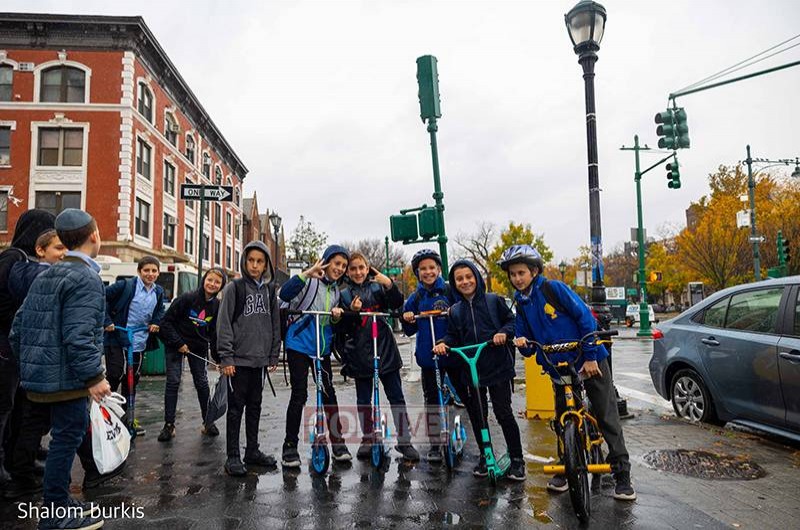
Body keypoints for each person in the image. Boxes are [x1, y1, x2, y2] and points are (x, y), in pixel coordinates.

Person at [500, 244, 635, 500]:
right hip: (558, 366)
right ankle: (567, 466)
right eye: (513, 274)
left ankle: (622, 474)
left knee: (606, 415)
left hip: (588, 360)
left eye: (522, 273)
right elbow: (525, 339)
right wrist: (522, 342)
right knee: (563, 419)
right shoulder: (521, 302)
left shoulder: (553, 289)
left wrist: (592, 356)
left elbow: (585, 318)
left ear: (535, 271)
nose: (517, 278)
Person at [10, 208, 110, 529]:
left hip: (42, 380)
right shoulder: (86, 278)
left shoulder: (46, 273)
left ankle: (60, 499)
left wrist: (35, 367)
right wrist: (94, 377)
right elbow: (79, 335)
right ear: (94, 235)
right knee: (66, 441)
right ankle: (54, 514)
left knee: (61, 441)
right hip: (70, 381)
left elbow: (18, 329)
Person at [432, 259, 526, 481]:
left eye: (468, 277)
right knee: (477, 415)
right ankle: (486, 455)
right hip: (472, 368)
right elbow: (453, 335)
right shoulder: (455, 311)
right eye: (459, 279)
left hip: (497, 367)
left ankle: (517, 459)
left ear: (476, 277)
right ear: (454, 283)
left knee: (503, 413)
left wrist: (503, 332)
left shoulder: (494, 301)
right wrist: (445, 343)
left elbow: (512, 322)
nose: (465, 282)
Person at [338, 252, 419, 462]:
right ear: (348, 271)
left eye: (361, 268)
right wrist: (352, 312)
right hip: (360, 352)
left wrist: (389, 284)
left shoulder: (378, 287)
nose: (358, 272)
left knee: (396, 396)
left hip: (385, 349)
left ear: (368, 268)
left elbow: (396, 304)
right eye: (353, 268)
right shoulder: (344, 295)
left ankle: (405, 441)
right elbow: (344, 327)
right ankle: (367, 438)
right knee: (364, 400)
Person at [279, 245, 352, 467]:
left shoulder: (336, 292)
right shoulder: (309, 282)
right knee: (299, 394)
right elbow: (284, 294)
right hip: (299, 345)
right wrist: (306, 274)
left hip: (322, 348)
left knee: (328, 392)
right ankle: (289, 446)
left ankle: (338, 443)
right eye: (336, 263)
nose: (339, 268)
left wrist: (337, 317)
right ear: (326, 261)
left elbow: (331, 323)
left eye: (343, 266)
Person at [0, 210, 55, 487]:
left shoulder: (27, 261)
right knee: (4, 406)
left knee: (21, 406)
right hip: (5, 345)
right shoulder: (13, 259)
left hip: (16, 345)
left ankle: (20, 456)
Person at [216, 242, 280, 476]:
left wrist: (273, 353)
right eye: (251, 260)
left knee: (255, 407)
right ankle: (232, 455)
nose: (254, 265)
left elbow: (275, 323)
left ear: (266, 265)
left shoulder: (269, 290)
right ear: (244, 261)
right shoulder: (235, 288)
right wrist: (226, 357)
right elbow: (223, 324)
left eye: (260, 261)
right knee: (236, 410)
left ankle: (252, 450)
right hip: (238, 362)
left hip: (260, 361)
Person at [401, 249, 465, 464]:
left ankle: (470, 432)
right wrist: (408, 318)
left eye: (432, 268)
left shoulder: (449, 291)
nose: (428, 272)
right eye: (423, 269)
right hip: (429, 356)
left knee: (466, 395)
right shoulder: (416, 297)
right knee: (431, 400)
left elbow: (463, 313)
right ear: (417, 273)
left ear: (439, 269)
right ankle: (435, 444)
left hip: (452, 353)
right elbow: (408, 328)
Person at [157, 267, 227, 442]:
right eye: (210, 280)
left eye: (217, 282)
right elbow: (165, 323)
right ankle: (169, 425)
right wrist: (178, 343)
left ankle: (208, 422)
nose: (212, 284)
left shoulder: (217, 306)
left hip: (197, 347)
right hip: (176, 345)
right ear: (204, 280)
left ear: (221, 286)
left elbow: (214, 334)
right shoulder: (186, 299)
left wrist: (219, 360)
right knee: (173, 381)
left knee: (202, 383)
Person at [103, 256, 165, 435]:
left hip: (139, 340)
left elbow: (159, 310)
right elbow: (102, 297)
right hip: (117, 336)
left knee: (131, 381)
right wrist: (107, 321)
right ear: (139, 271)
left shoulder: (158, 291)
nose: (150, 274)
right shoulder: (126, 286)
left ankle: (128, 419)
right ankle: (106, 416)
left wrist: (155, 322)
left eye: (154, 271)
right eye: (146, 270)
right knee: (115, 375)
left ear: (158, 273)